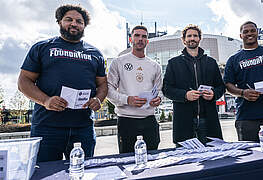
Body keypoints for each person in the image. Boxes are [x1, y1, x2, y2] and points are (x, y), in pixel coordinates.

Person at [18, 4, 107, 162]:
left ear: (84, 25)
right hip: (47, 127)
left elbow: (102, 85)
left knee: (82, 172)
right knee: (44, 173)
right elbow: (24, 81)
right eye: (69, 19)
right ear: (59, 22)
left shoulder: (95, 54)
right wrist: (46, 100)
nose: (74, 23)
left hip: (83, 128)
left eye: (79, 21)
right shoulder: (42, 47)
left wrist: (98, 99)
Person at [162, 24, 225, 145]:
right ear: (183, 40)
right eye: (189, 36)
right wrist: (185, 95)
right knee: (186, 160)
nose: (192, 38)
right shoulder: (174, 63)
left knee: (213, 159)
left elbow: (221, 87)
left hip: (208, 120)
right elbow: (166, 89)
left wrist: (213, 94)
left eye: (195, 36)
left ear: (200, 39)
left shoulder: (211, 62)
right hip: (184, 121)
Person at [107, 25, 162, 153]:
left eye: (144, 36)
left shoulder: (155, 66)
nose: (140, 39)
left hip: (149, 120)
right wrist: (127, 100)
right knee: (127, 161)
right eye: (137, 35)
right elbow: (109, 90)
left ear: (147, 41)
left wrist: (158, 99)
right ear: (131, 39)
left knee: (153, 161)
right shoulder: (118, 62)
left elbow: (160, 91)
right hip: (127, 121)